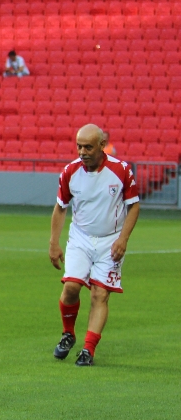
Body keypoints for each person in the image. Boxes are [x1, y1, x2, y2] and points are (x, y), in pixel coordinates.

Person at [49, 124, 140, 367]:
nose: (82, 151)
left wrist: (123, 239)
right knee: (71, 288)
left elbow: (134, 206)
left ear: (102, 145)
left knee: (100, 294)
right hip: (80, 237)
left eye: (88, 146)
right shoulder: (70, 172)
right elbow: (60, 207)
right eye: (79, 146)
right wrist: (53, 243)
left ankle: (88, 349)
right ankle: (68, 334)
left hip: (110, 241)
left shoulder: (120, 171)